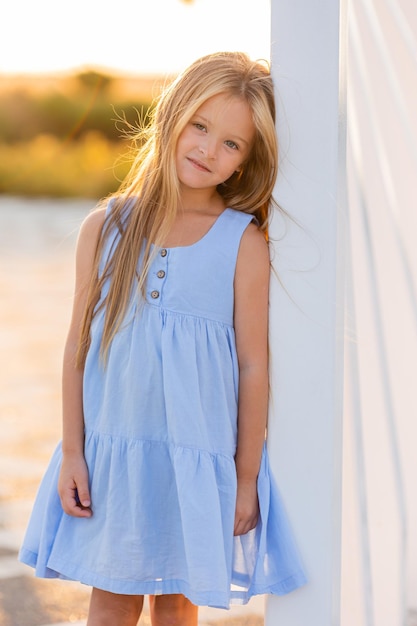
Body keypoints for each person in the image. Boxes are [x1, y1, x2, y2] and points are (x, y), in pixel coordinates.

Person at [19, 51, 306, 625]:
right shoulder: (107, 227)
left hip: (195, 459)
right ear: (172, 117)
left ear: (248, 160)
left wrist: (245, 477)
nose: (207, 149)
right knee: (111, 597)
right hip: (114, 456)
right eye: (200, 126)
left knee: (177, 603)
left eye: (232, 143)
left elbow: (253, 366)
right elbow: (77, 348)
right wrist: (73, 452)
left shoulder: (241, 242)